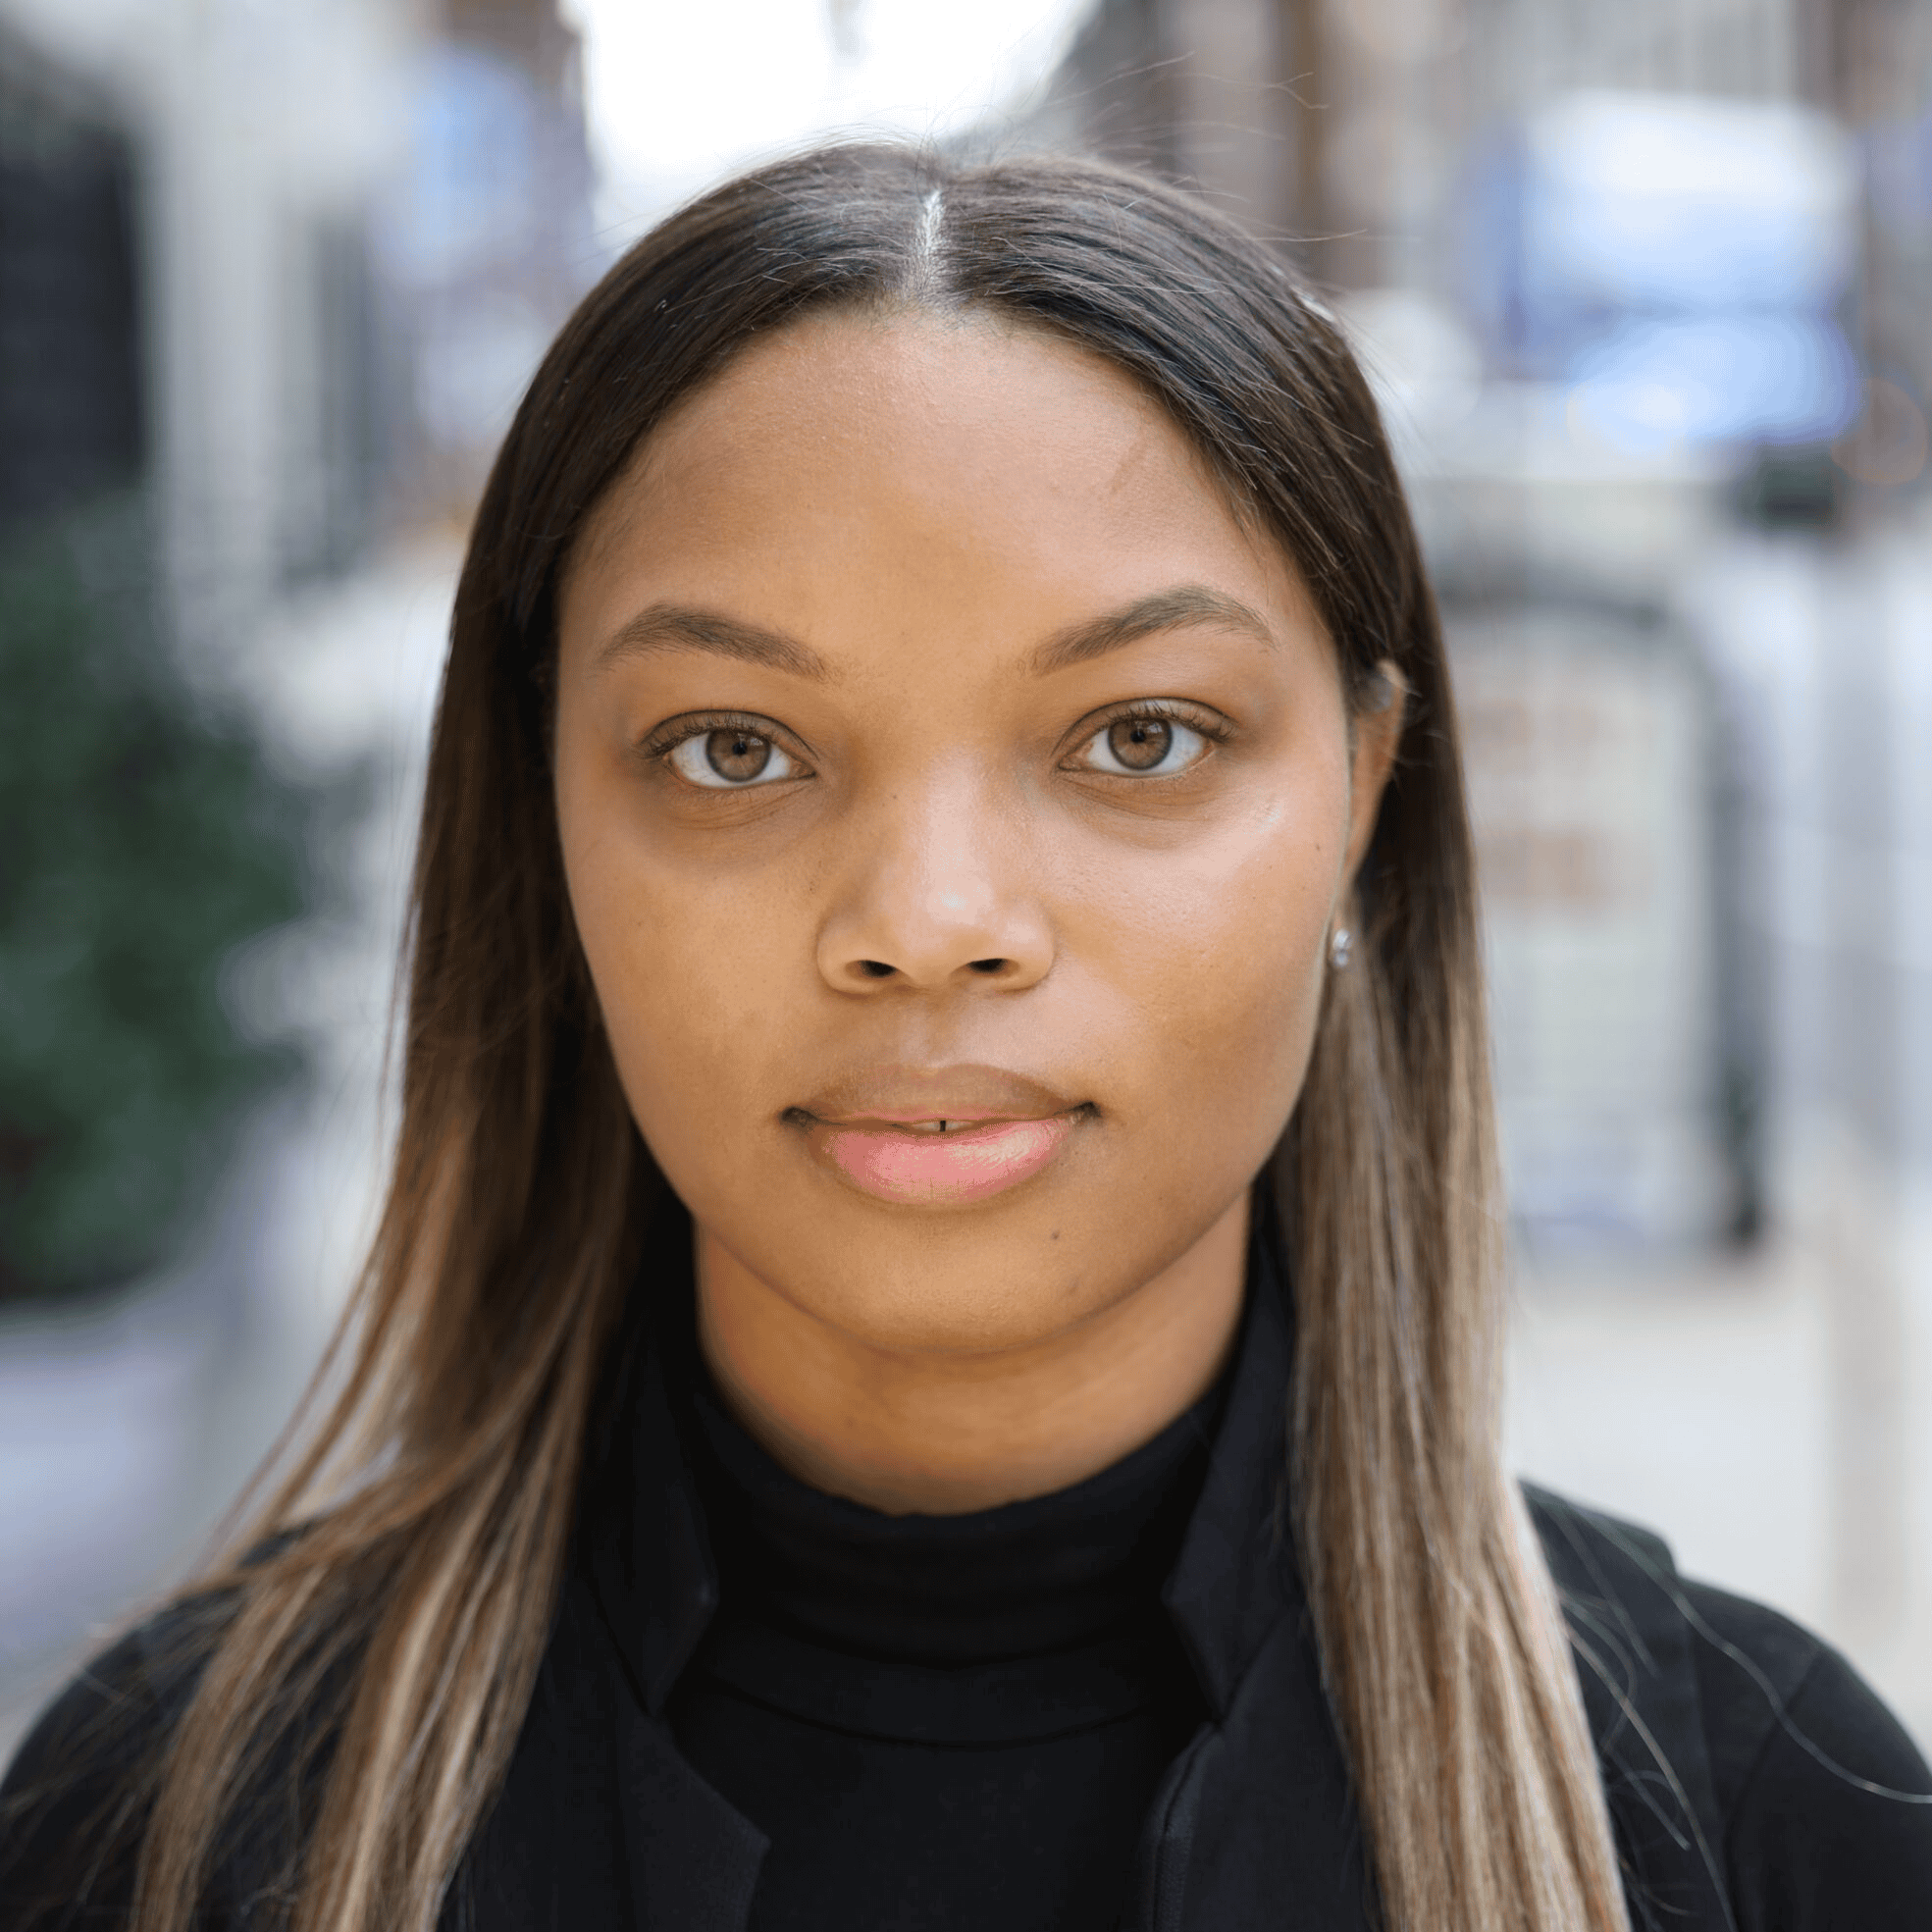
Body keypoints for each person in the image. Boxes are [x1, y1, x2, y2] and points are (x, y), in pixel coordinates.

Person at [3, 141, 1928, 1932]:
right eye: (734, 749)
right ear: (546, 823)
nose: (929, 922)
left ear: (1363, 791)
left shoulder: (1768, 1833)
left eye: (1139, 737)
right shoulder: (166, 1831)